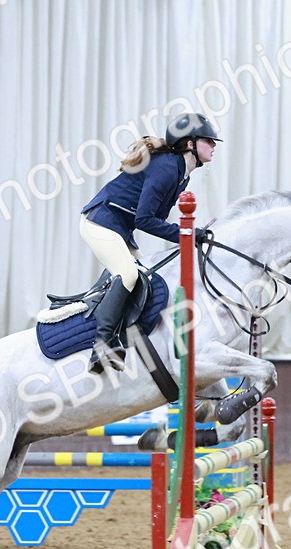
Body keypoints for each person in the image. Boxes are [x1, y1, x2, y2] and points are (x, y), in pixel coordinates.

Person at [79, 112, 222, 372]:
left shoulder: (181, 173)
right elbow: (146, 219)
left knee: (146, 277)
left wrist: (191, 235)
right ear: (190, 143)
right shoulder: (168, 168)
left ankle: (123, 337)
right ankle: (101, 346)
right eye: (208, 140)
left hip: (120, 227)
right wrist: (187, 235)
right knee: (128, 274)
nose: (213, 146)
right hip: (99, 222)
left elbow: (155, 217)